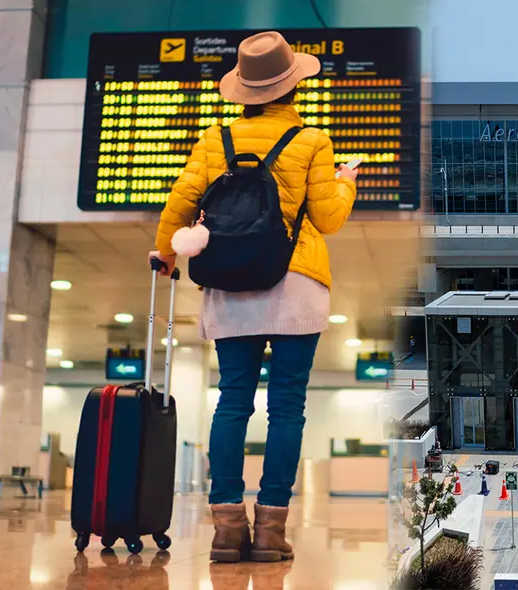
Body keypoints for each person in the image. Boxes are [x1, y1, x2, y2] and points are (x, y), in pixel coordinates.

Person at [148, 31, 357, 563]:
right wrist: (346, 181)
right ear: (293, 87)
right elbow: (328, 218)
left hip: (230, 281)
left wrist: (165, 254)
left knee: (233, 401)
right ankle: (270, 531)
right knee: (287, 405)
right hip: (295, 281)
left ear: (243, 91)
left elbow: (182, 198)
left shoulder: (214, 139)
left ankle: (225, 529)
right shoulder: (312, 141)